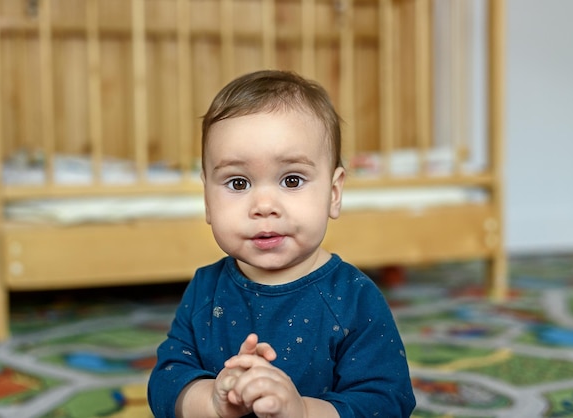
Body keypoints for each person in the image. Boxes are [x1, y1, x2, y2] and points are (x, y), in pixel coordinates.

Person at [147, 70, 416, 418]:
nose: (263, 206)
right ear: (206, 200)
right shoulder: (205, 291)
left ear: (333, 194)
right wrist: (210, 399)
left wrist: (302, 411)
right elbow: (167, 381)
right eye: (238, 183)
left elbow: (387, 402)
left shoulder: (354, 298)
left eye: (291, 179)